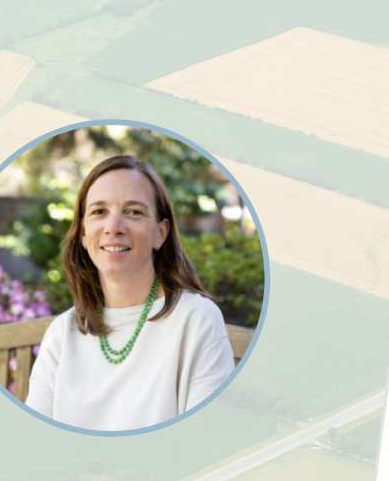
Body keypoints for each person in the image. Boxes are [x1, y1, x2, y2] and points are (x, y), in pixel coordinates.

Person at [26, 155, 234, 431]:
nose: (114, 227)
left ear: (160, 233)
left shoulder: (197, 321)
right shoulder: (61, 334)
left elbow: (204, 443)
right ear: (84, 235)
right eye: (99, 212)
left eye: (134, 212)